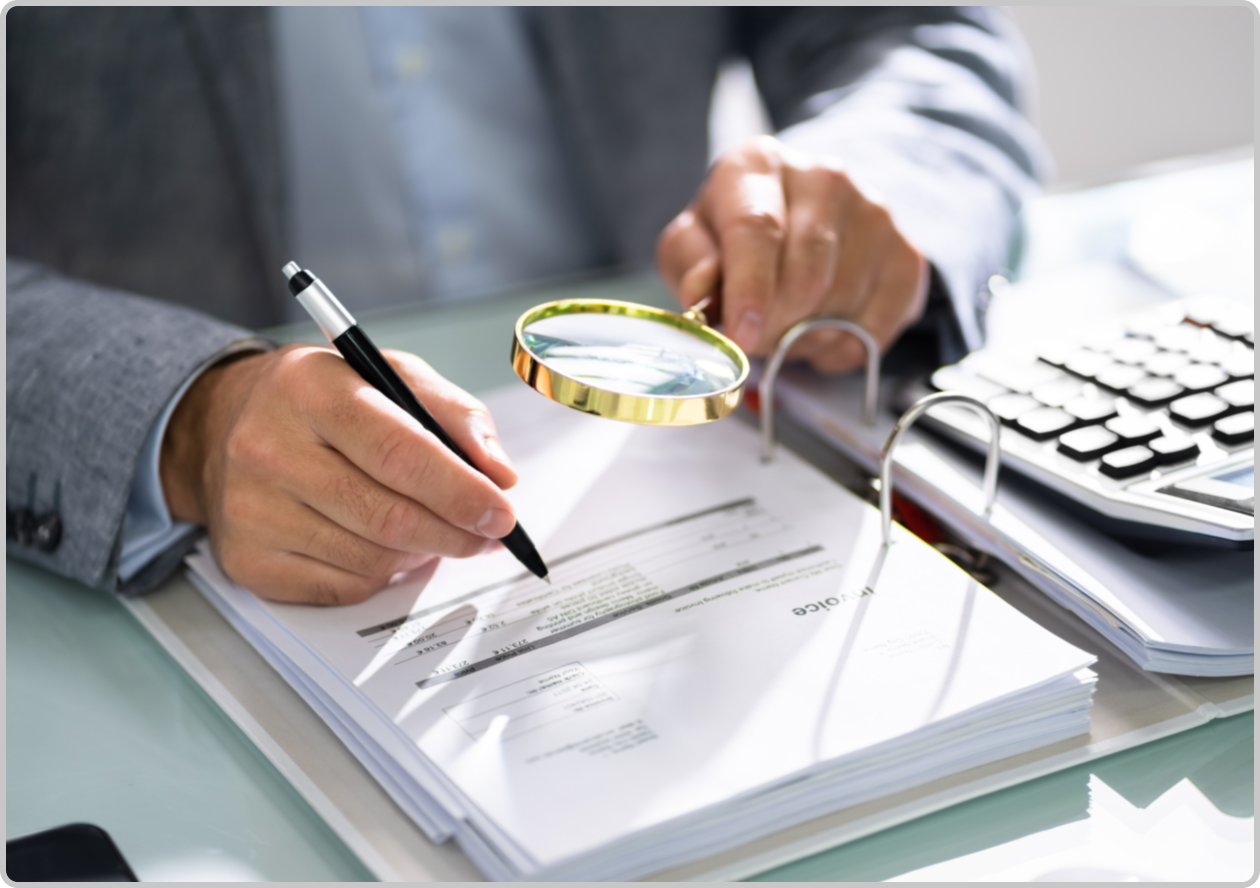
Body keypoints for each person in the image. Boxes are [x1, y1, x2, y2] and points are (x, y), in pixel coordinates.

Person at [6, 7, 1046, 604]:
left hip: (708, 426)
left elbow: (907, 29)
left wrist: (860, 194)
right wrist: (184, 419)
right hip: (170, 588)